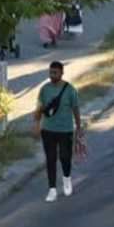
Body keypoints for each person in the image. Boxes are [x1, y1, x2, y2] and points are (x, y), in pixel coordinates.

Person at [33, 61, 81, 203]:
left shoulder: (70, 90)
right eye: (50, 72)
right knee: (50, 159)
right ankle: (52, 189)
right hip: (48, 130)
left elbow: (76, 109)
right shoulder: (44, 89)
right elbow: (39, 107)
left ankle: (67, 179)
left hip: (65, 130)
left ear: (62, 73)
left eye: (55, 72)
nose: (52, 75)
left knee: (65, 157)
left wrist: (78, 127)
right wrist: (36, 123)